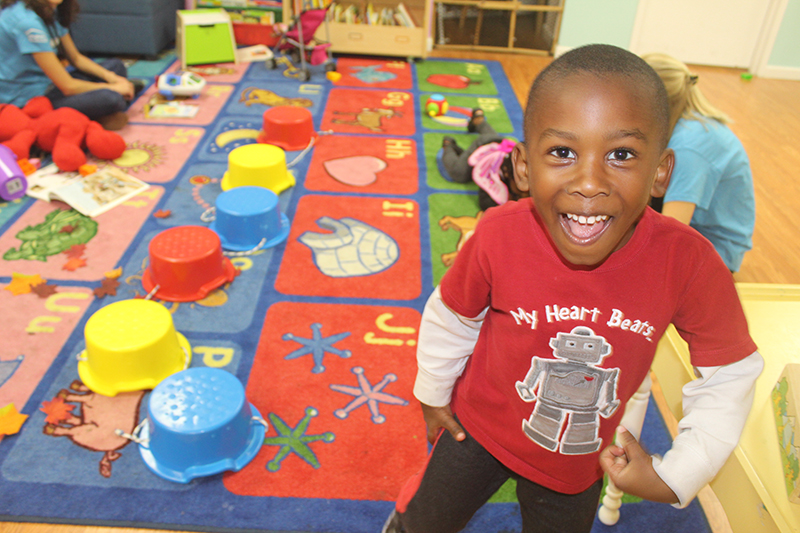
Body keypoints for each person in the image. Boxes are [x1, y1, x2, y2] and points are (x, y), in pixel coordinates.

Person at [383, 44, 763, 533]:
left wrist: (679, 473)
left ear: (661, 173)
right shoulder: (497, 233)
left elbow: (731, 374)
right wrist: (433, 392)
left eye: (621, 154)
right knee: (424, 522)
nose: (588, 182)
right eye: (562, 152)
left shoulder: (688, 263)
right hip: (476, 432)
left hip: (578, 461)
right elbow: (452, 314)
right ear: (522, 167)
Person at [643, 53, 755, 273]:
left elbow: (672, 232)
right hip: (698, 229)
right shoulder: (686, 123)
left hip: (715, 251)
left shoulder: (690, 146)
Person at [0, 0, 141, 130]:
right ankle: (87, 119)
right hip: (30, 100)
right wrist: (113, 88)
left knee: (116, 67)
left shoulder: (49, 8)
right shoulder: (27, 23)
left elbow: (76, 58)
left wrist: (112, 78)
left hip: (50, 83)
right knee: (111, 98)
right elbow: (67, 86)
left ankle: (94, 113)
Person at [440, 109, 529, 211]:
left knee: (491, 136)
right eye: (520, 189)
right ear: (507, 175)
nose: (524, 193)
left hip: (502, 143)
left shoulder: (528, 174)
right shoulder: (494, 173)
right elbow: (484, 202)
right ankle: (449, 145)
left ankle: (479, 120)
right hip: (483, 147)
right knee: (459, 173)